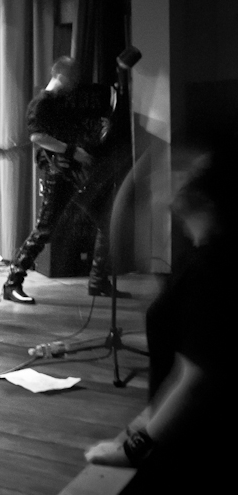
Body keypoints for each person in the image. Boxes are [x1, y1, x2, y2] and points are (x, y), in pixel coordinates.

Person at [84, 143, 237, 493]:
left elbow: (195, 380)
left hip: (196, 448)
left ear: (206, 196)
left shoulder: (210, 269)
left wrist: (131, 450)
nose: (167, 175)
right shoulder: (201, 255)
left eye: (186, 171)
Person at [1, 56, 116, 304]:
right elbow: (37, 137)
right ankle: (12, 283)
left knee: (105, 221)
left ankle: (98, 280)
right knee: (45, 229)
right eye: (72, 78)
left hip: (76, 172)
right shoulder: (41, 103)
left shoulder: (64, 102)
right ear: (61, 75)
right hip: (59, 173)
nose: (75, 83)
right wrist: (73, 151)